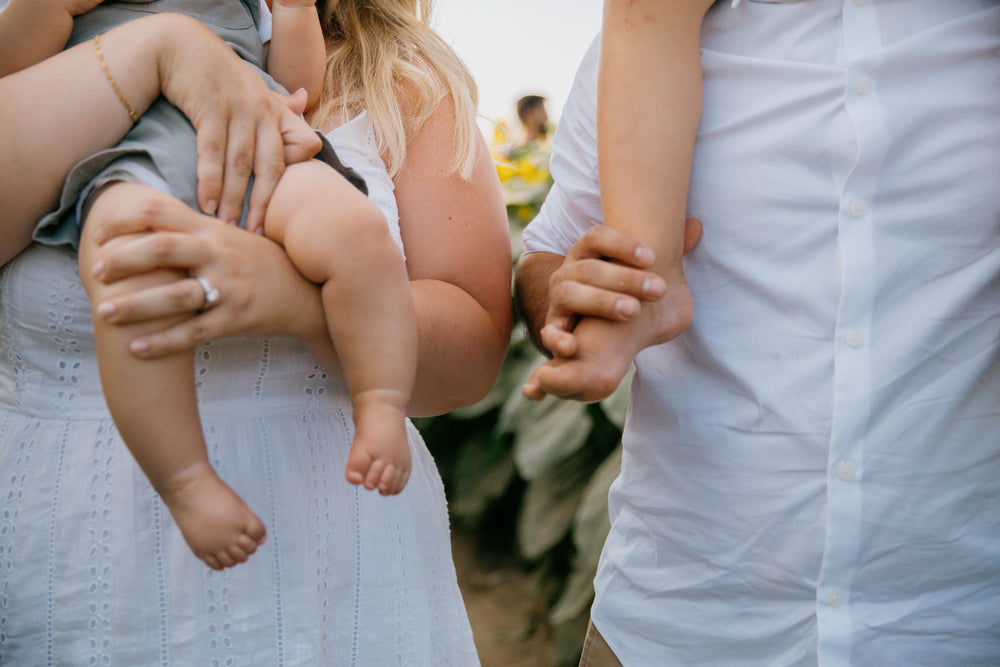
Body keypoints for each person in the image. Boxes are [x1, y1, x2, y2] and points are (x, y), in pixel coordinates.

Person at [0, 2, 510, 664]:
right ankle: (184, 478)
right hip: (82, 544)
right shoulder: (54, 33)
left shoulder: (393, 76)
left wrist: (295, 300)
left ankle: (372, 407)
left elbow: (472, 354)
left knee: (348, 231)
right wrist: (153, 49)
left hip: (337, 557)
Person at [516, 1, 1000, 664]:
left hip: (954, 628)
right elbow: (545, 251)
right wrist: (572, 305)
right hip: (671, 627)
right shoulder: (639, 42)